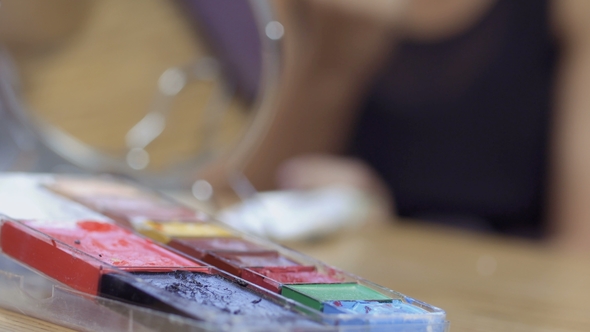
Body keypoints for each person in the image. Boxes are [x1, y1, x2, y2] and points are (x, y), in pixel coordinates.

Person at [215, 0, 590, 251]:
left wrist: (391, 236)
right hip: (337, 291)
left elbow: (579, 255)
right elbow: (226, 212)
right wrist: (331, 64)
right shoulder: (310, 9)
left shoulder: (568, 12)